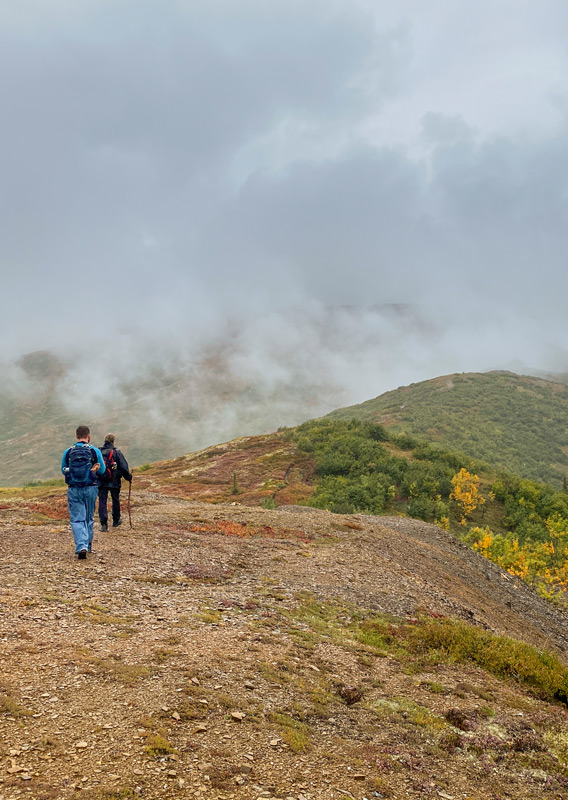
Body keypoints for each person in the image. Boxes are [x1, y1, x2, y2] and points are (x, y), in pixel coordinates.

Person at [61, 425, 105, 559]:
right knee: (88, 518)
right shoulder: (94, 451)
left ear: (76, 436)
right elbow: (102, 470)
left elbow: (63, 470)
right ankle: (88, 545)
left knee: (77, 518)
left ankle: (81, 546)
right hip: (91, 487)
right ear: (89, 436)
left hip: (74, 489)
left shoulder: (68, 452)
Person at [97, 434, 132, 531]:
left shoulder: (99, 452)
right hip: (114, 480)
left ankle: (104, 524)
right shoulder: (117, 453)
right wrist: (129, 477)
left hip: (101, 481)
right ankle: (116, 520)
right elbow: (124, 467)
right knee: (115, 499)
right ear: (113, 441)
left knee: (102, 501)